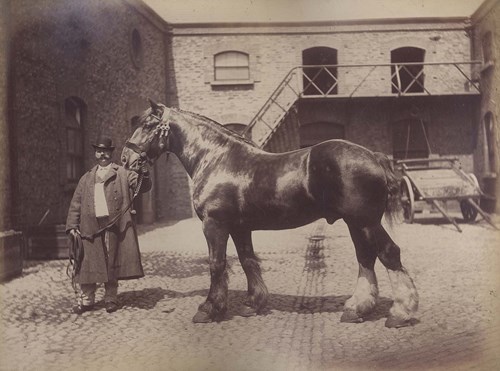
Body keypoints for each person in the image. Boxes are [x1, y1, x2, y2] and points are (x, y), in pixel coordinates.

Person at [66, 136, 152, 314]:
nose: (102, 154)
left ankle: (111, 298)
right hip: (90, 227)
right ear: (96, 153)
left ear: (111, 153)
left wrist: (144, 171)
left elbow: (142, 187)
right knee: (87, 263)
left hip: (113, 225)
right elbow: (76, 204)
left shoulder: (123, 173)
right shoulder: (87, 178)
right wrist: (73, 225)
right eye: (99, 151)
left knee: (111, 260)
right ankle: (87, 300)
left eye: (106, 151)